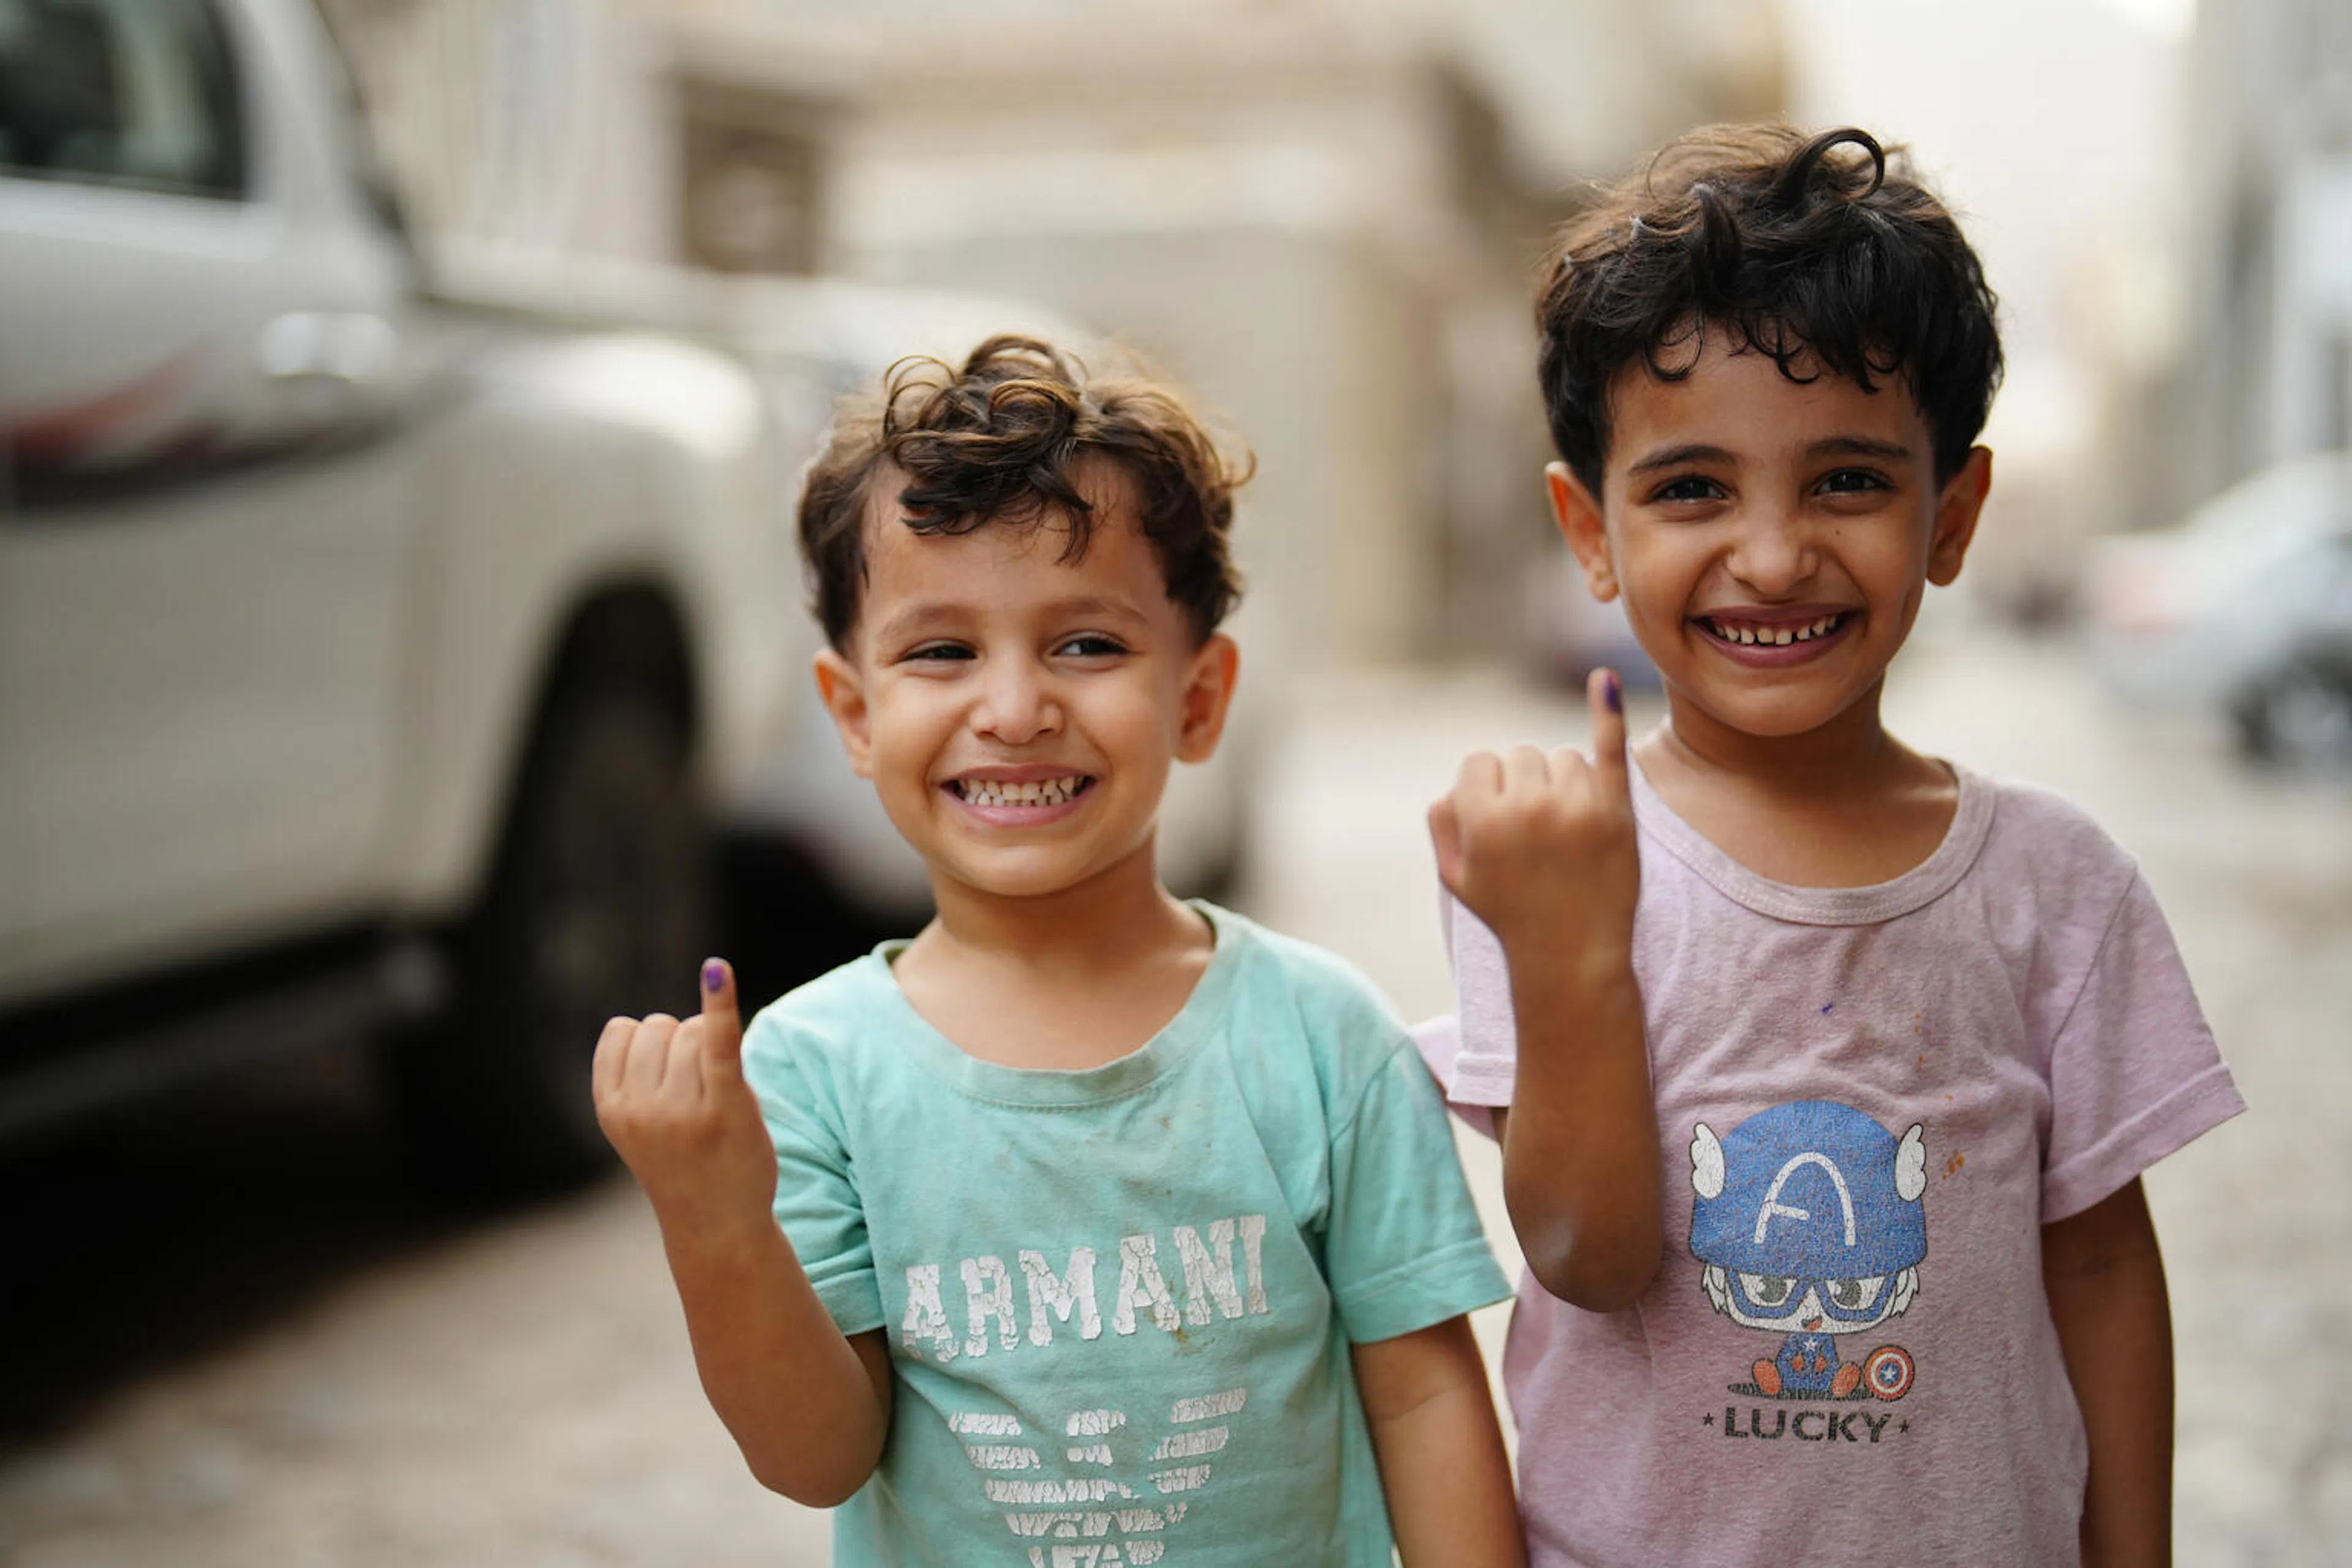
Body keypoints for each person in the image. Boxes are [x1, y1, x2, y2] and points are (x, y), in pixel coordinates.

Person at [1415, 126, 2245, 1566]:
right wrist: (1565, 954)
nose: (1776, 551)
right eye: (1691, 489)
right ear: (1589, 530)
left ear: (1955, 512)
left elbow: (2105, 1266)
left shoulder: (2057, 884)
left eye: (1849, 480)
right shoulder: (1551, 860)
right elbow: (1585, 1259)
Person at [593, 335, 1523, 1566]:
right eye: (942, 649)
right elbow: (819, 1452)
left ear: (1198, 698)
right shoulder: (814, 1068)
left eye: (1086, 643)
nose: (1018, 708)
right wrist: (717, 1224)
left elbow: (1425, 1396)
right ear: (856, 714)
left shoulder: (1322, 1036)